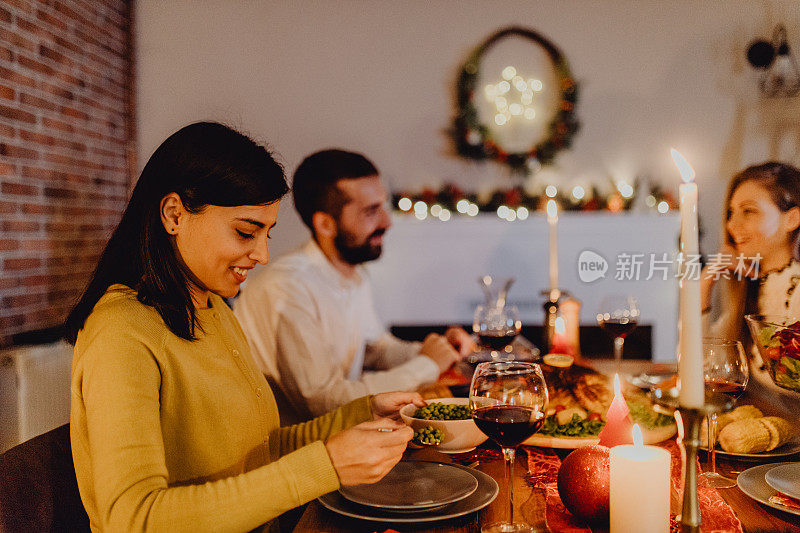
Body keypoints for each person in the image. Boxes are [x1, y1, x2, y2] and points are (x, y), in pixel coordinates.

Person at [64, 123, 421, 532]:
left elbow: (263, 451)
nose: (263, 254)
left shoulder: (213, 308)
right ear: (173, 214)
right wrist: (327, 466)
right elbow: (134, 519)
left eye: (266, 233)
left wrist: (361, 413)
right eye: (245, 232)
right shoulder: (121, 332)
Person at [234, 149, 475, 424]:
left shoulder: (352, 273)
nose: (387, 221)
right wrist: (427, 365)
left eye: (382, 206)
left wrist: (437, 350)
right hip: (297, 448)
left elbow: (376, 349)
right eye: (371, 211)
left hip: (349, 433)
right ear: (325, 223)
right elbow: (323, 402)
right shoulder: (286, 289)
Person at [701, 161, 800, 412]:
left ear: (792, 219)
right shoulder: (748, 291)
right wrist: (704, 283)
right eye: (731, 213)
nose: (732, 226)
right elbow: (703, 366)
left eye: (748, 211)